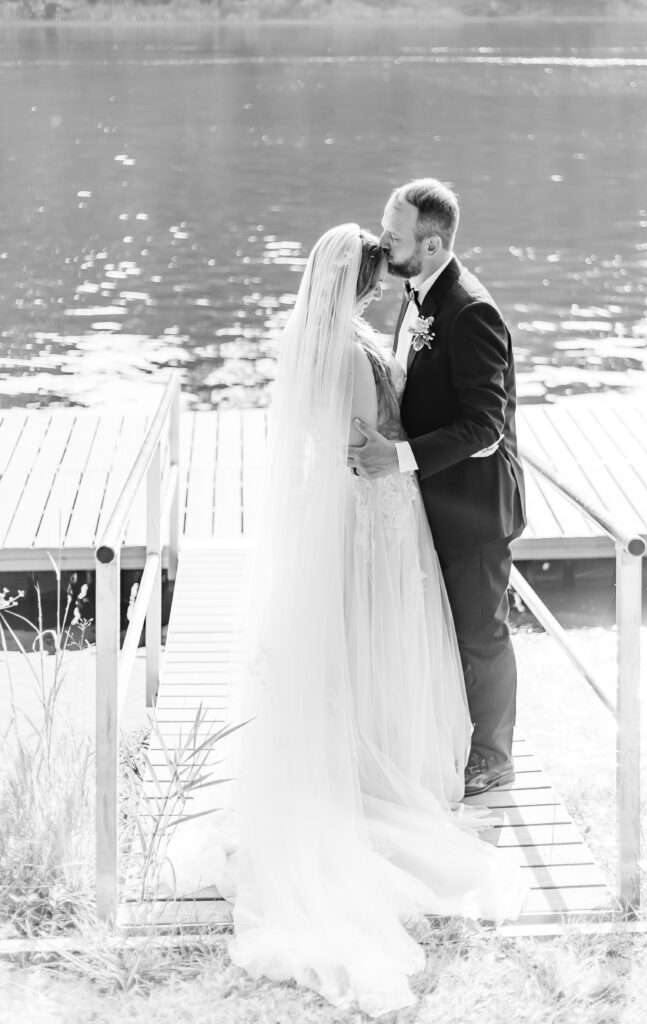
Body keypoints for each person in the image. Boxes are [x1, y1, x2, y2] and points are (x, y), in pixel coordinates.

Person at [166, 224, 527, 1019]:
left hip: (350, 500)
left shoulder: (318, 335)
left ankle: (371, 752)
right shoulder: (349, 344)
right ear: (360, 281)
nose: (386, 273)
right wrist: (396, 449)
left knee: (361, 638)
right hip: (374, 508)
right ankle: (380, 763)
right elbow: (372, 435)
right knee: (380, 634)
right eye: (377, 267)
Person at [347, 180, 526, 798]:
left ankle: (493, 756)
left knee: (481, 634)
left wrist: (395, 456)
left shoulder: (470, 310)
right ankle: (454, 742)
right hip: (432, 495)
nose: (382, 241)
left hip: (475, 507)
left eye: (393, 236)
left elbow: (485, 425)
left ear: (429, 243)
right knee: (446, 630)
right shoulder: (416, 292)